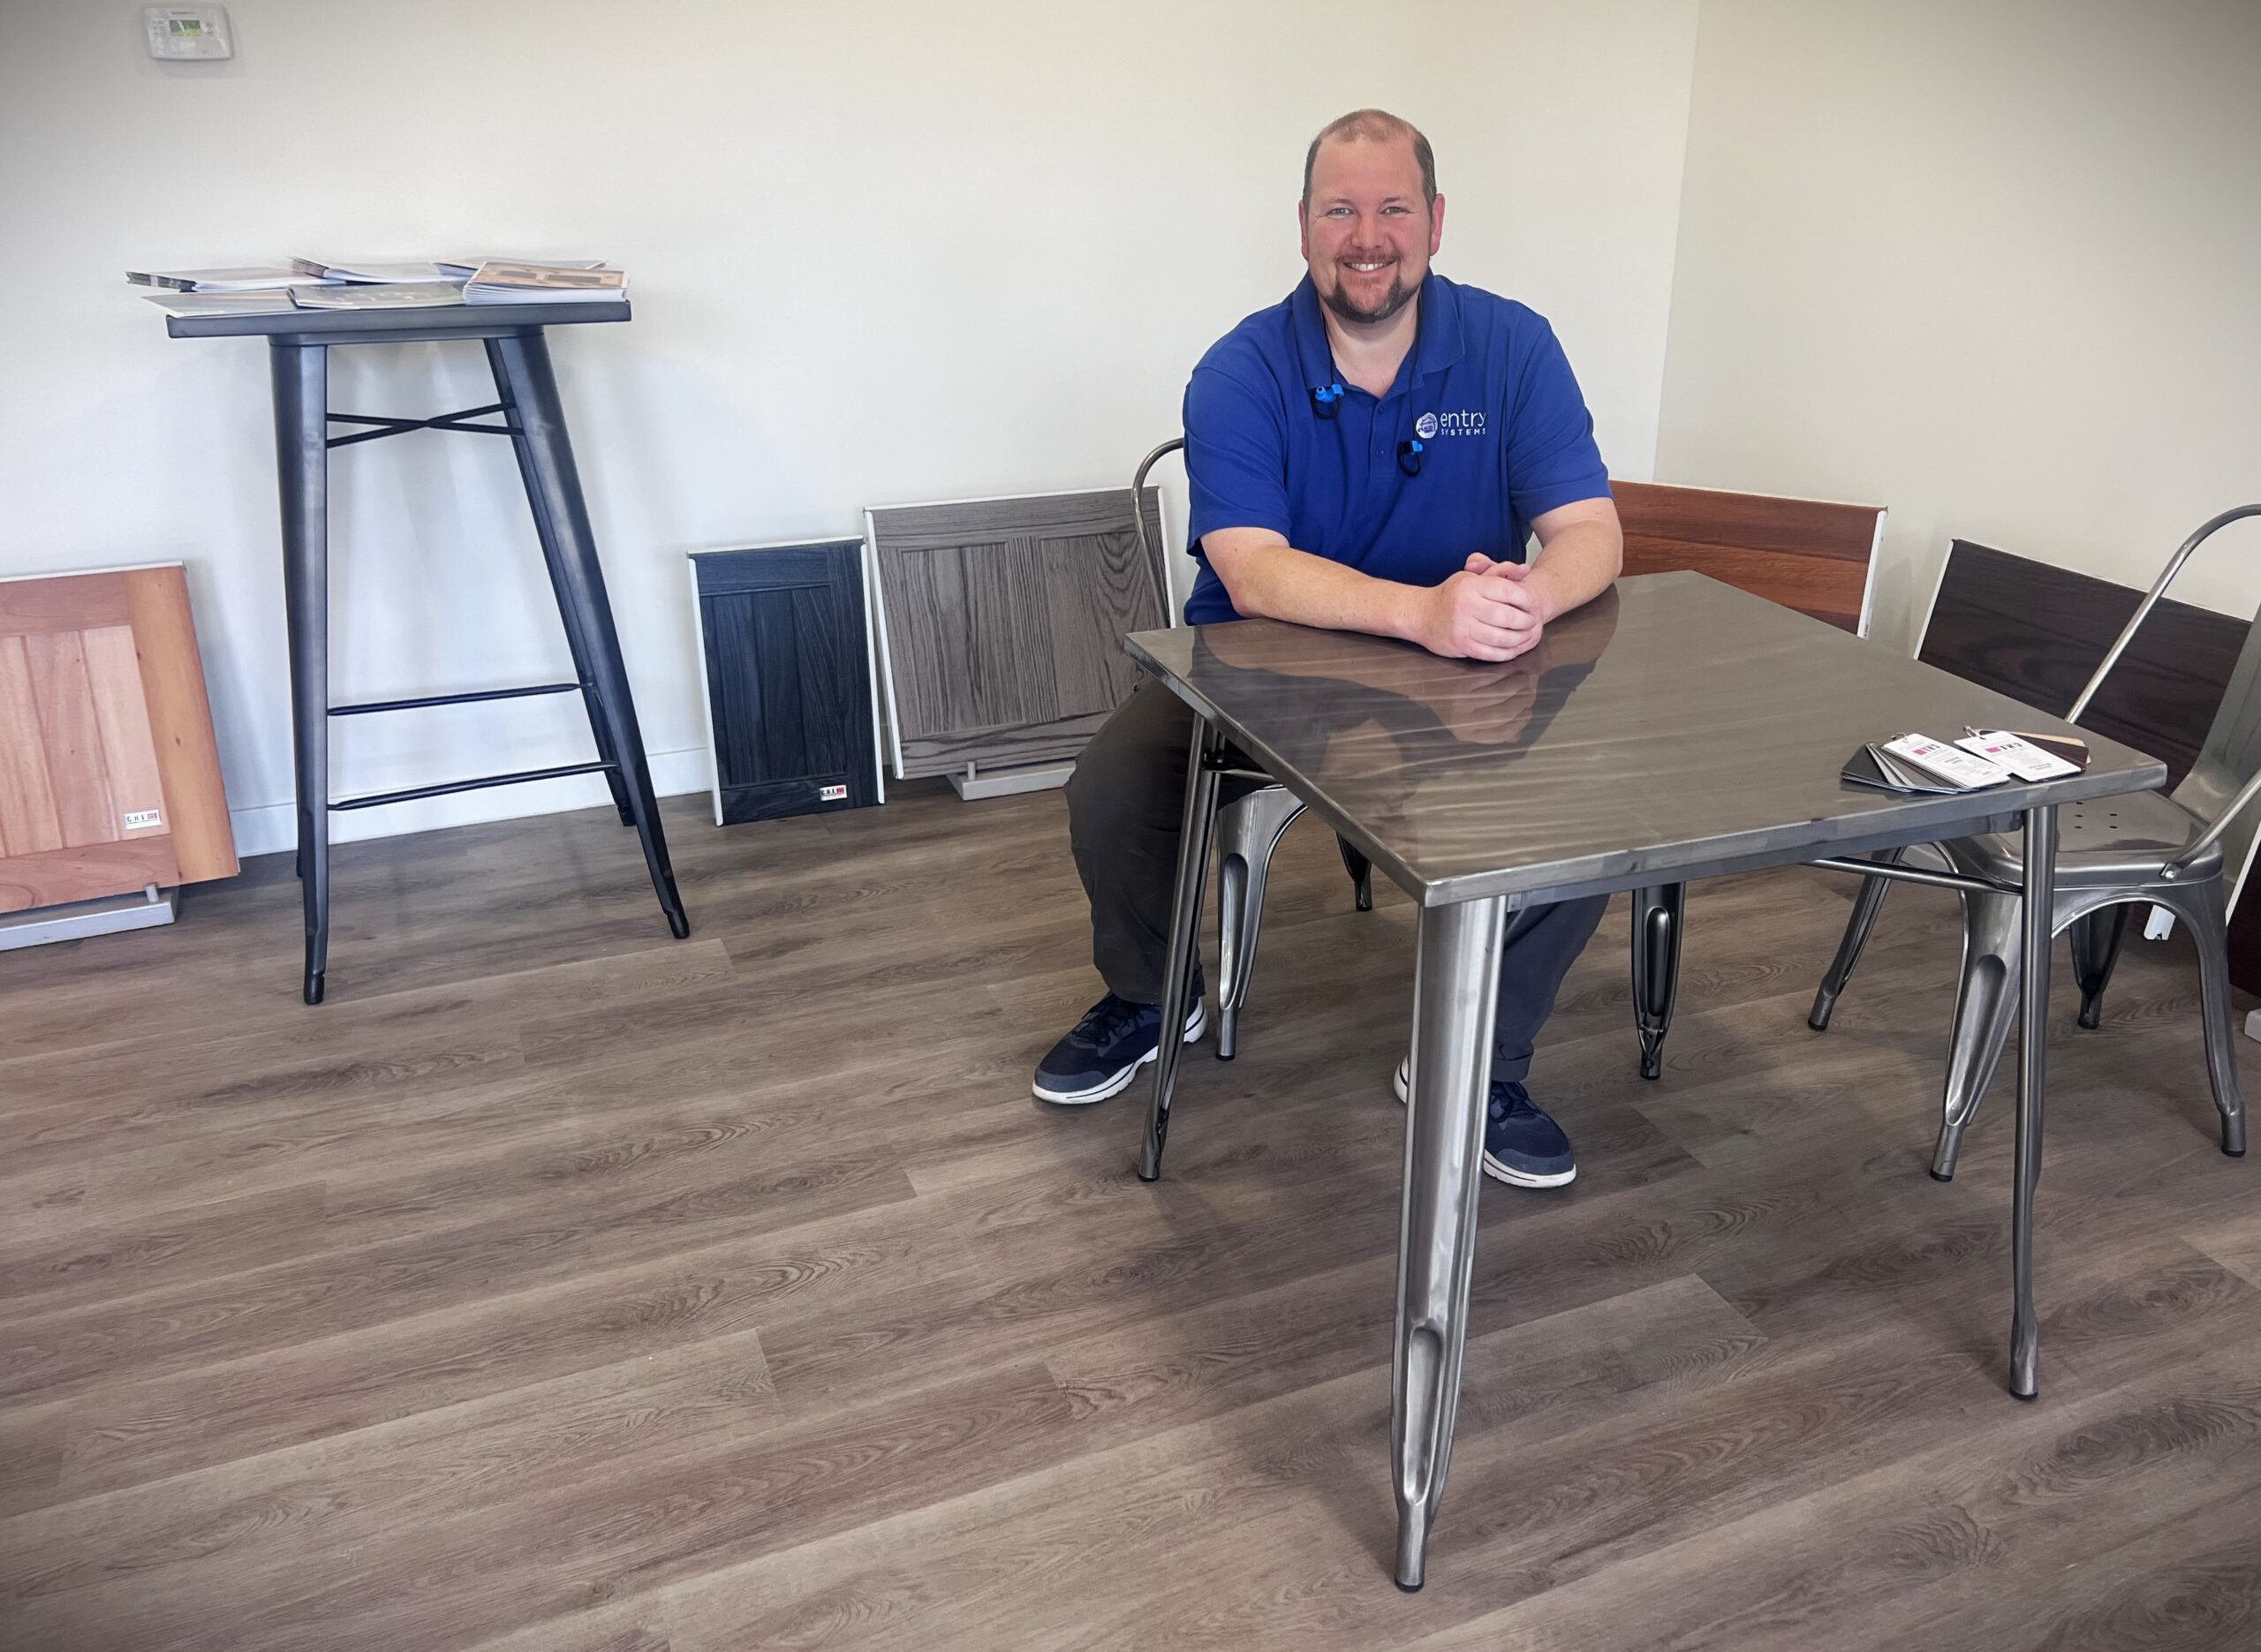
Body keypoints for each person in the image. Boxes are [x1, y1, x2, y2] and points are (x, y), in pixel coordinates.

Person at [1033, 109, 1623, 1188]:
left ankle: (1478, 1057)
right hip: (1254, 669)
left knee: (1586, 815)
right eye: (1339, 210)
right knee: (1111, 787)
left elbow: (1591, 529)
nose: (1367, 236)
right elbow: (1252, 568)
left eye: (1392, 208)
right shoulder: (1239, 368)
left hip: (1456, 674)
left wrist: (1524, 599)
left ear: (1434, 221)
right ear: (1303, 225)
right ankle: (1152, 995)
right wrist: (1422, 612)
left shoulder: (1512, 346)